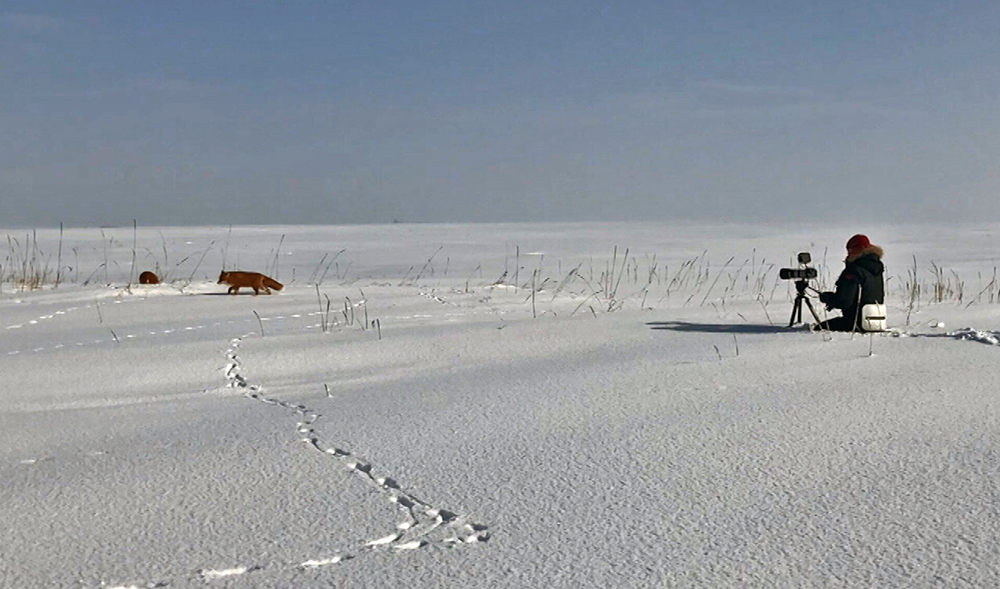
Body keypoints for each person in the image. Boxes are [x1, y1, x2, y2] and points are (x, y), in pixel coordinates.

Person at [815, 234, 885, 332]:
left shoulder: (854, 270)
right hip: (878, 322)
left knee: (819, 328)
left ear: (856, 250)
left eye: (850, 250)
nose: (848, 254)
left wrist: (828, 298)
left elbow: (845, 301)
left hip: (855, 322)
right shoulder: (875, 269)